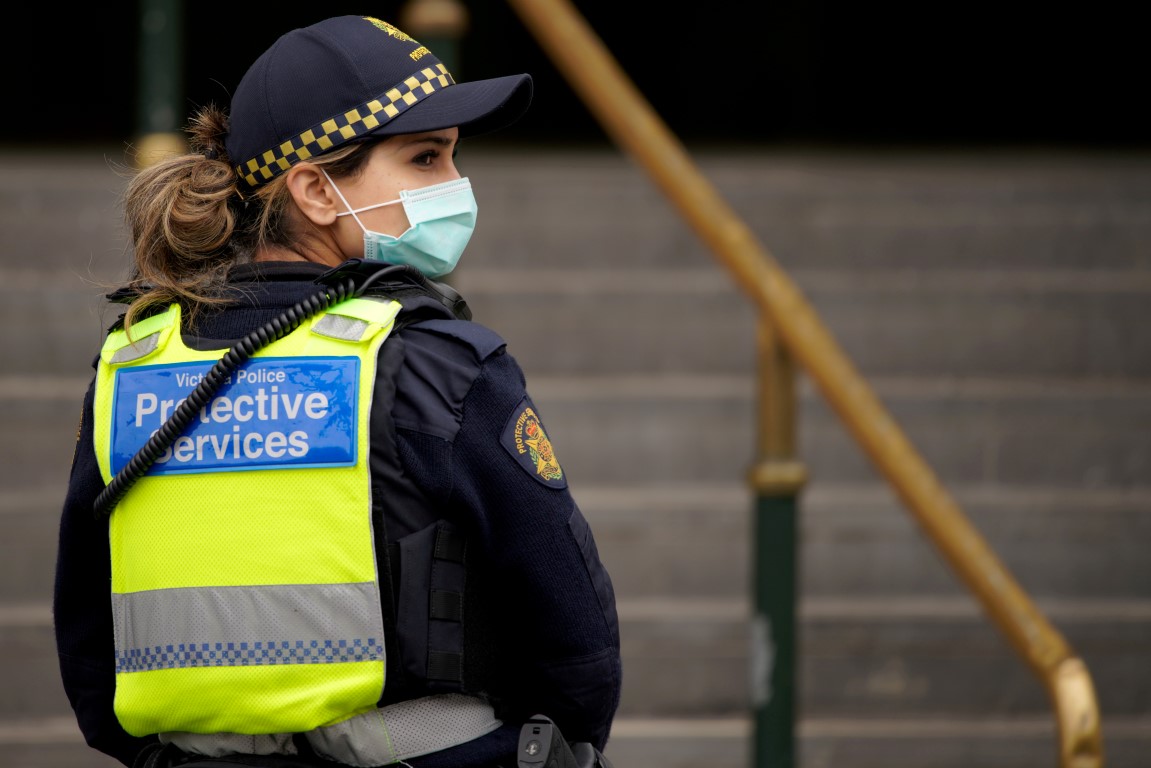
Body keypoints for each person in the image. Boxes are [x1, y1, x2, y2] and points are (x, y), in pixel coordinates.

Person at [53, 14, 621, 768]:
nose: (455, 187)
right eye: (424, 159)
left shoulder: (135, 362)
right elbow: (571, 630)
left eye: (452, 159)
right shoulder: (436, 361)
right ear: (316, 190)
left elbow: (89, 644)